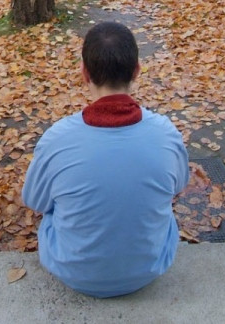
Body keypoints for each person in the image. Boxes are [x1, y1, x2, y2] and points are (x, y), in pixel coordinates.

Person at [22, 21, 190, 298]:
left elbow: (35, 201)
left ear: (84, 73)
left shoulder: (57, 139)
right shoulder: (166, 133)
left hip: (72, 272)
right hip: (148, 269)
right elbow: (177, 187)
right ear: (137, 70)